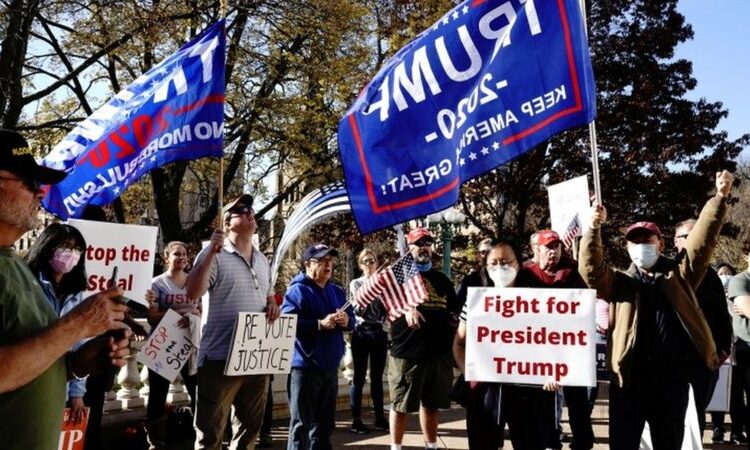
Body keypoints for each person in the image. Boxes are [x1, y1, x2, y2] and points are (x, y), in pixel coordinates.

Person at [579, 170, 733, 449]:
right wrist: (592, 229)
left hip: (671, 380)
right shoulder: (618, 283)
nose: (641, 247)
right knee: (623, 444)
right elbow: (590, 270)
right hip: (629, 381)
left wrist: (719, 199)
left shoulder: (681, 276)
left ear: (661, 244)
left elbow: (701, 242)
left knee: (669, 442)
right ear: (627, 248)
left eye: (647, 241)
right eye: (635, 242)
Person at [0, 128, 131, 450]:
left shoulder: (15, 265)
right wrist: (77, 324)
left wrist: (78, 364)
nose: (41, 193)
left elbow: (31, 357)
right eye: (31, 183)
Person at [185, 194, 281, 450]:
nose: (250, 212)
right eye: (241, 210)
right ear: (226, 224)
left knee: (249, 431)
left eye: (251, 209)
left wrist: (272, 306)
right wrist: (209, 253)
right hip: (220, 359)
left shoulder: (262, 260)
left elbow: (269, 297)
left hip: (256, 359)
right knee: (210, 435)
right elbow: (192, 292)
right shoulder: (213, 255)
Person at [453, 239, 561, 449]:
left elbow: (555, 343)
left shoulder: (539, 302)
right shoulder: (475, 302)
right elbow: (459, 344)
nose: (500, 267)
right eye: (493, 263)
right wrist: (469, 372)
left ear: (518, 264)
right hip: (486, 391)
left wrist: (554, 371)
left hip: (528, 391)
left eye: (506, 262)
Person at [388, 227, 461, 450]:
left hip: (438, 353)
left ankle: (431, 445)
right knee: (401, 405)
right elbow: (378, 307)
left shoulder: (442, 279)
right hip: (408, 352)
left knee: (431, 405)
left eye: (428, 243)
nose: (425, 248)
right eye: (419, 243)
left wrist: (456, 320)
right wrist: (404, 309)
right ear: (408, 247)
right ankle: (396, 447)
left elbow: (453, 310)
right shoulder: (398, 276)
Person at [524, 229, 595, 450]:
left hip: (570, 346)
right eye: (548, 247)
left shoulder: (573, 269)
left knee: (577, 399)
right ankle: (550, 441)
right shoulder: (525, 272)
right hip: (539, 347)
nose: (553, 251)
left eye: (556, 246)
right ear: (537, 249)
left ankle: (583, 441)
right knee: (545, 398)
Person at [281, 242, 355, 450]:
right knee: (301, 426)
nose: (328, 265)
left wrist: (346, 322)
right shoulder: (297, 290)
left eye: (330, 261)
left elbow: (353, 320)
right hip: (305, 369)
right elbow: (286, 323)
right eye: (322, 261)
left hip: (330, 369)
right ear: (308, 264)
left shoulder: (337, 291)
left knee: (325, 426)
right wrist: (318, 324)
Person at [25, 223, 91, 425]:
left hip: (60, 385)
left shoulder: (76, 293)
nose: (71, 253)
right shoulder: (28, 283)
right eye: (65, 246)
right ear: (47, 247)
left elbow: (79, 342)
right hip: (26, 381)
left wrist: (77, 393)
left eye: (76, 249)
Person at [673, 219, 732, 436]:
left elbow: (721, 316)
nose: (695, 240)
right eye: (688, 236)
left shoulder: (712, 276)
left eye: (699, 234)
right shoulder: (667, 273)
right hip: (672, 359)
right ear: (675, 241)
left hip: (704, 359)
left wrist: (724, 347)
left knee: (695, 411)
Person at [146, 241, 201, 449]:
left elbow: (202, 311)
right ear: (166, 257)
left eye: (184, 254)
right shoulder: (156, 284)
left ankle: (200, 436)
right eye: (176, 254)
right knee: (158, 393)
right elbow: (151, 317)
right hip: (164, 344)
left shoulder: (195, 282)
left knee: (196, 391)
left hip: (190, 344)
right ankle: (155, 441)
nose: (181, 258)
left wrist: (194, 316)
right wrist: (178, 314)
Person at [348, 248, 389, 434]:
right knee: (358, 377)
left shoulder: (384, 283)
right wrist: (371, 291)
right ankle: (356, 419)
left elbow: (388, 309)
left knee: (377, 378)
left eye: (371, 261)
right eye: (365, 261)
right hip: (361, 333)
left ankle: (380, 418)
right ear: (360, 265)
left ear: (377, 263)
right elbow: (357, 309)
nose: (369, 264)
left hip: (378, 332)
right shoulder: (356, 284)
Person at [713, 262, 748, 444]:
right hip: (725, 352)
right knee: (722, 394)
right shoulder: (715, 297)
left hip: (740, 350)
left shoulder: (739, 296)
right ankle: (718, 428)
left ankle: (737, 430)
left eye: (728, 273)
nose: (725, 276)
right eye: (721, 273)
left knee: (738, 395)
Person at [456, 238, 492, 310]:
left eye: (490, 252)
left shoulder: (503, 278)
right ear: (478, 255)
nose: (486, 256)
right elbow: (458, 305)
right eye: (483, 252)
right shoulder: (469, 280)